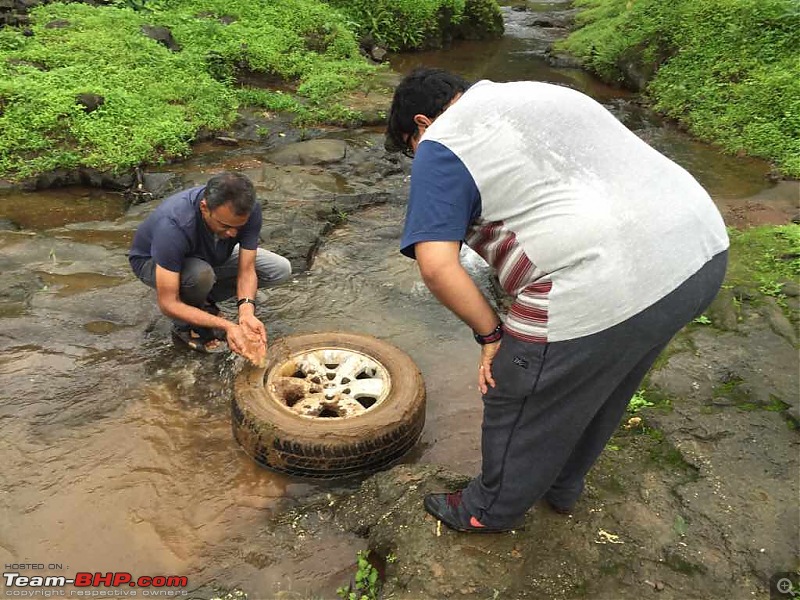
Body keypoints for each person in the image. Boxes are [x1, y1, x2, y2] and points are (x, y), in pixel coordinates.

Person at [386, 68, 729, 533]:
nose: (417, 155)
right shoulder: (537, 92)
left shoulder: (440, 142)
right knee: (605, 380)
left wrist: (491, 334)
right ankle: (562, 485)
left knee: (515, 382)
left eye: (410, 146)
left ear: (422, 123)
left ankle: (487, 510)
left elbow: (437, 266)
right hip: (699, 250)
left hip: (604, 276)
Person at [128, 171, 291, 360]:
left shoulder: (248, 210)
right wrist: (227, 326)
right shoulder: (173, 225)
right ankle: (185, 327)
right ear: (204, 208)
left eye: (238, 227)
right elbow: (167, 303)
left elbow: (247, 269)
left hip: (210, 252)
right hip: (153, 262)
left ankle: (203, 301)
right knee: (200, 275)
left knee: (279, 269)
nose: (232, 233)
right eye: (225, 225)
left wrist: (246, 312)